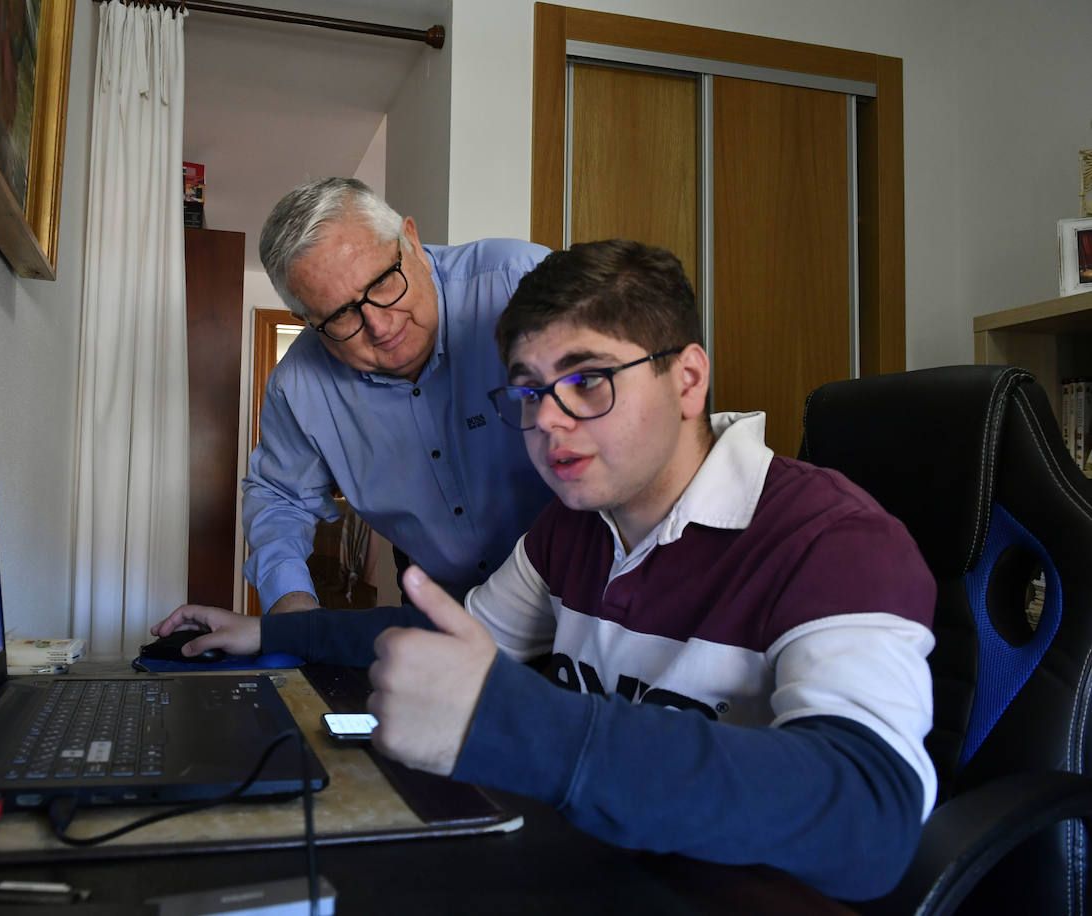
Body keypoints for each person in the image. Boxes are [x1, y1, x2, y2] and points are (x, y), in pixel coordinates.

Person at [156, 240, 937, 900]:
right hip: (587, 872)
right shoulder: (571, 530)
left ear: (688, 380)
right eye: (529, 392)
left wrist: (514, 724)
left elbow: (874, 812)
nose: (550, 421)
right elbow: (446, 642)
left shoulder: (832, 540)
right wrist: (268, 629)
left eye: (588, 380)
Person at [243, 178, 552, 614]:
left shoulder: (519, 282)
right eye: (340, 314)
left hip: (577, 594)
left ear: (411, 239)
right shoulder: (296, 387)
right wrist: (291, 604)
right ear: (306, 319)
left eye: (384, 282)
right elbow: (281, 495)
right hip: (439, 607)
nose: (380, 326)